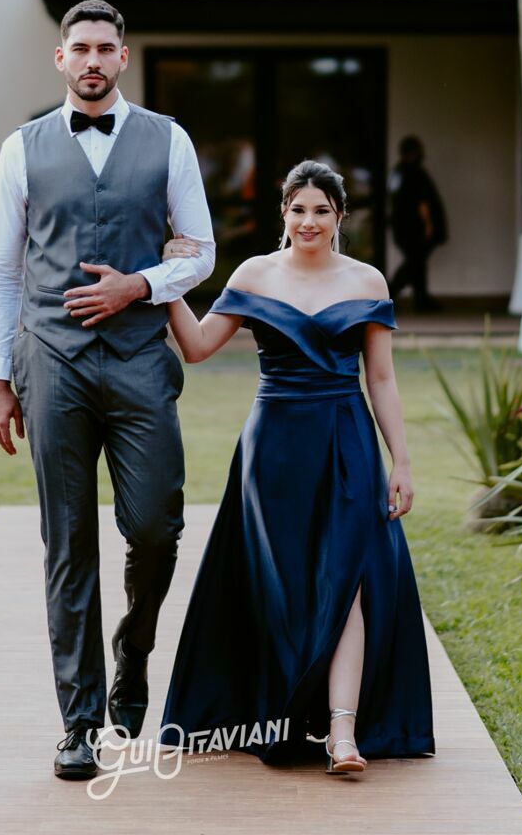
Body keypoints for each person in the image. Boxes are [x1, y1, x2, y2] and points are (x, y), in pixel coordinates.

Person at [0, 0, 215, 781]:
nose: (90, 60)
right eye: (78, 47)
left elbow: (201, 251)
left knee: (155, 529)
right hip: (51, 360)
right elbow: (2, 271)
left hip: (142, 357)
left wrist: (138, 285)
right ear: (59, 58)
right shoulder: (22, 148)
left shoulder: (168, 139)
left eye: (104, 48)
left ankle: (134, 650)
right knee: (67, 542)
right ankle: (78, 721)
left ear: (122, 58)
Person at [160, 160, 434, 773]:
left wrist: (402, 462)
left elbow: (382, 378)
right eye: (298, 209)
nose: (309, 221)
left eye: (321, 210)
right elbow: (199, 347)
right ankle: (282, 714)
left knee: (348, 580)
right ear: (283, 212)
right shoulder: (255, 273)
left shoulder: (366, 281)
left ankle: (343, 735)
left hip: (347, 441)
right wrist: (169, 282)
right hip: (274, 450)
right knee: (281, 583)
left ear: (340, 217)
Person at [387, 137, 446, 313]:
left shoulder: (397, 172)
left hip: (400, 225)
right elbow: (422, 201)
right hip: (414, 227)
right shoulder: (414, 172)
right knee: (414, 264)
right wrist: (429, 224)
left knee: (417, 264)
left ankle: (421, 299)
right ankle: (387, 294)